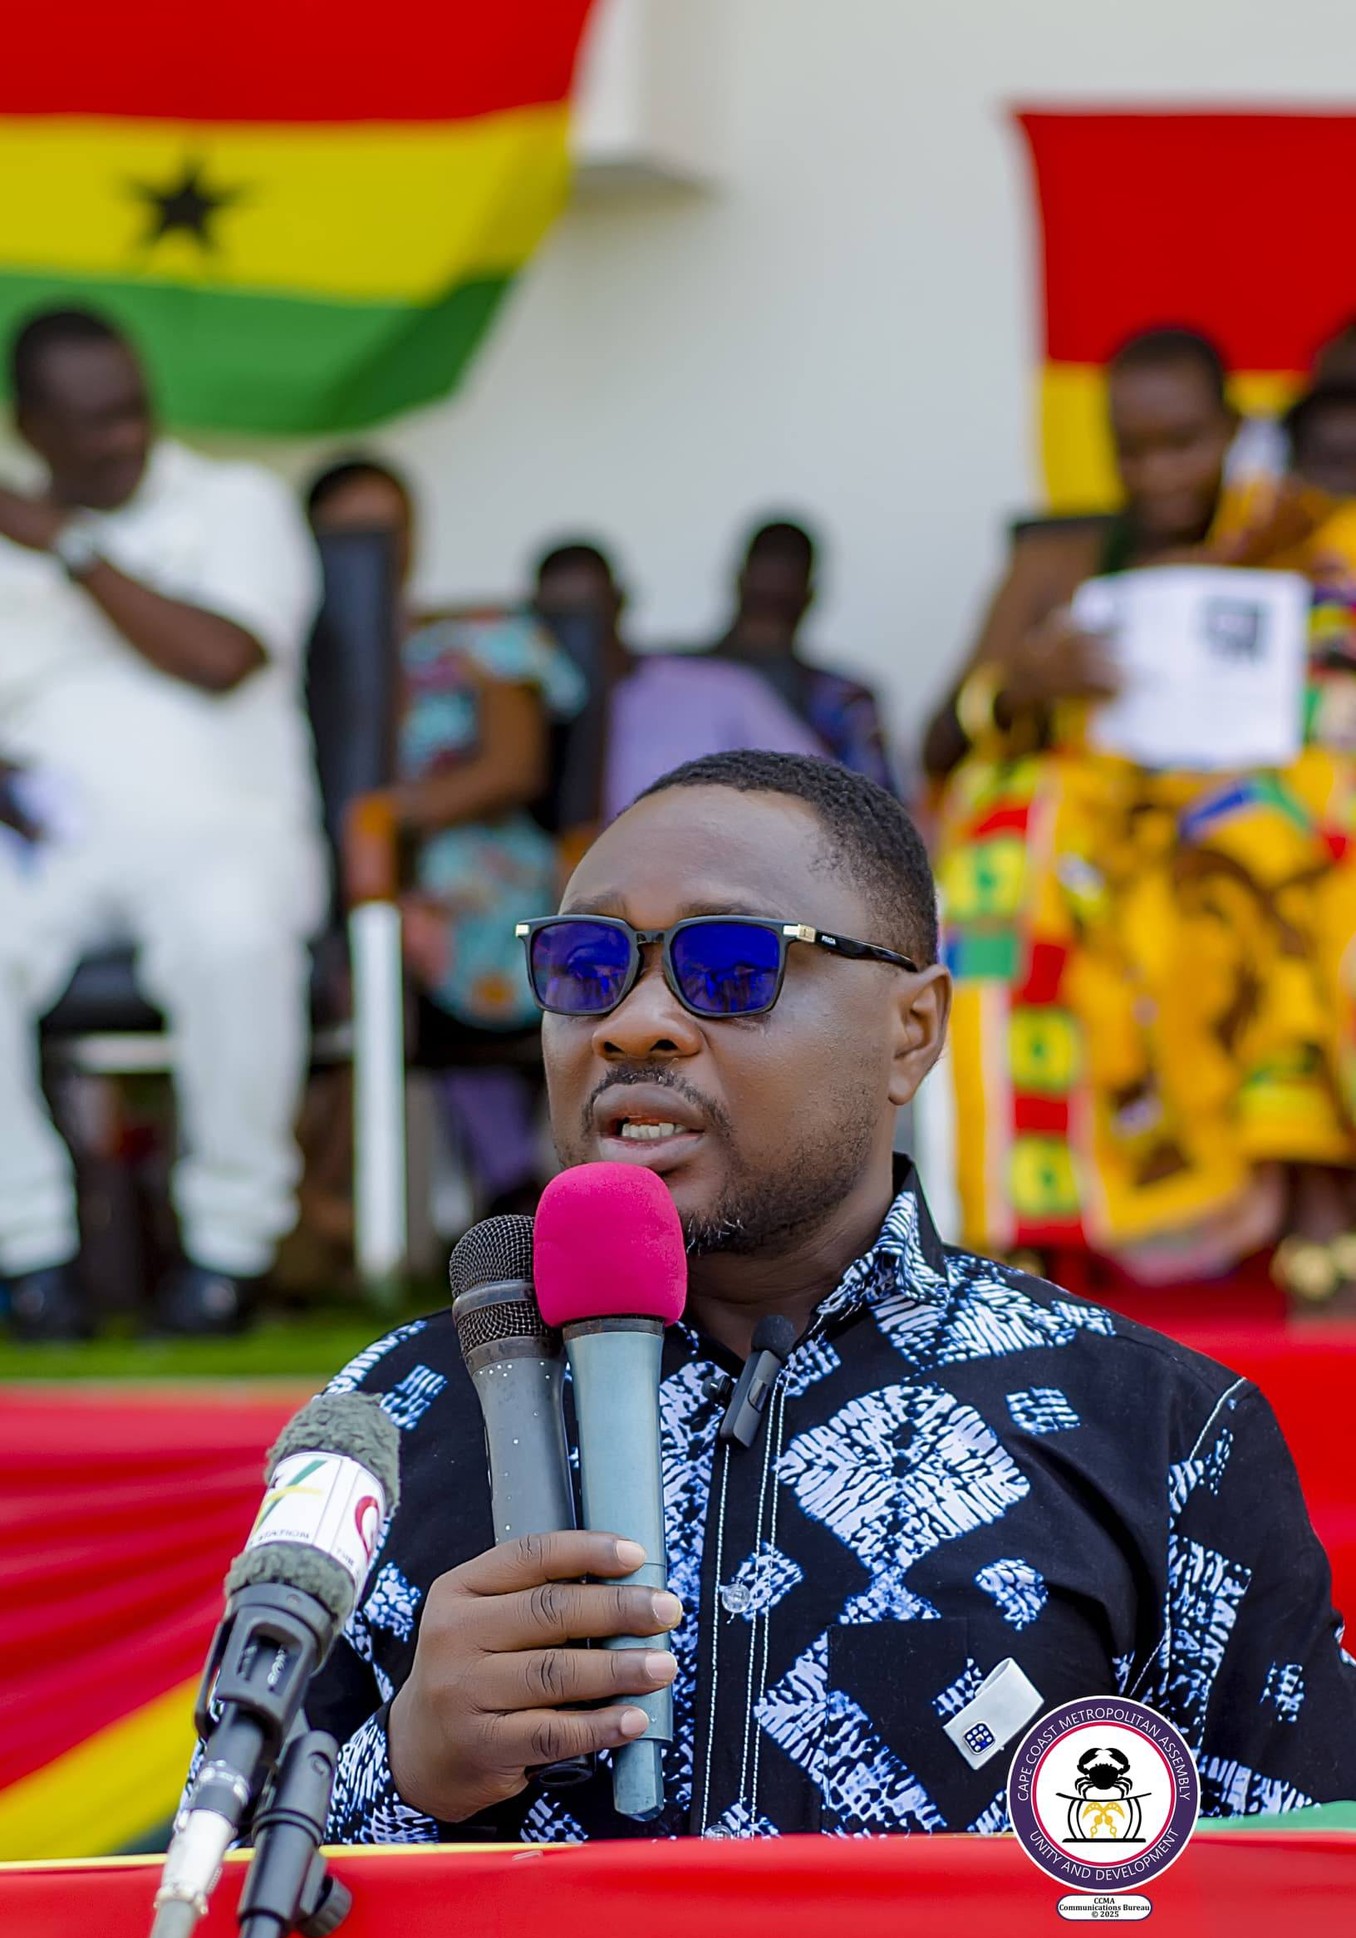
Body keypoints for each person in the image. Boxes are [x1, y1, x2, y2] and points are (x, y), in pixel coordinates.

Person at [299, 751, 1356, 1842]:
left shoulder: (1152, 1426)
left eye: (730, 965)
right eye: (587, 964)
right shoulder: (389, 1414)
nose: (633, 1022)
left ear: (913, 1030)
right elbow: (217, 1872)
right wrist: (406, 1768)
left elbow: (1308, 1882)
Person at [923, 326, 1356, 1308]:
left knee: (1289, 855)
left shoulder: (1297, 545)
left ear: (1233, 430)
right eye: (1134, 449)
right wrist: (1021, 682)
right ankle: (1032, 1231)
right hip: (1099, 830)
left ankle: (1319, 1205)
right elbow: (940, 742)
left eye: (1183, 443)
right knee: (1013, 858)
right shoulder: (1060, 563)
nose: (1158, 472)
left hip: (1249, 816)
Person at [0, 308, 324, 1339]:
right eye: (93, 420)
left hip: (218, 834)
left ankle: (228, 1254)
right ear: (31, 427)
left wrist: (71, 548)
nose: (124, 436)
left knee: (232, 936)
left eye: (133, 408)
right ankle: (29, 1256)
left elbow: (220, 658)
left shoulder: (236, 504)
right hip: (47, 845)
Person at [305, 458, 588, 1221]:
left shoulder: (476, 637)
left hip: (478, 876)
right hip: (342, 881)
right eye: (352, 534)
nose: (377, 549)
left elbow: (513, 766)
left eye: (389, 528)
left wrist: (387, 820)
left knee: (392, 948)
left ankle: (336, 1202)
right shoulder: (302, 649)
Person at [532, 539, 827, 837]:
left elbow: (818, 784)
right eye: (559, 618)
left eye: (588, 613)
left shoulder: (718, 688)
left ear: (619, 602)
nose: (576, 632)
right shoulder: (533, 710)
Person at [701, 517, 897, 788]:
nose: (766, 633)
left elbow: (876, 803)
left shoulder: (846, 702)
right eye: (761, 605)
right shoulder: (845, 698)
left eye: (779, 607)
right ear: (810, 597)